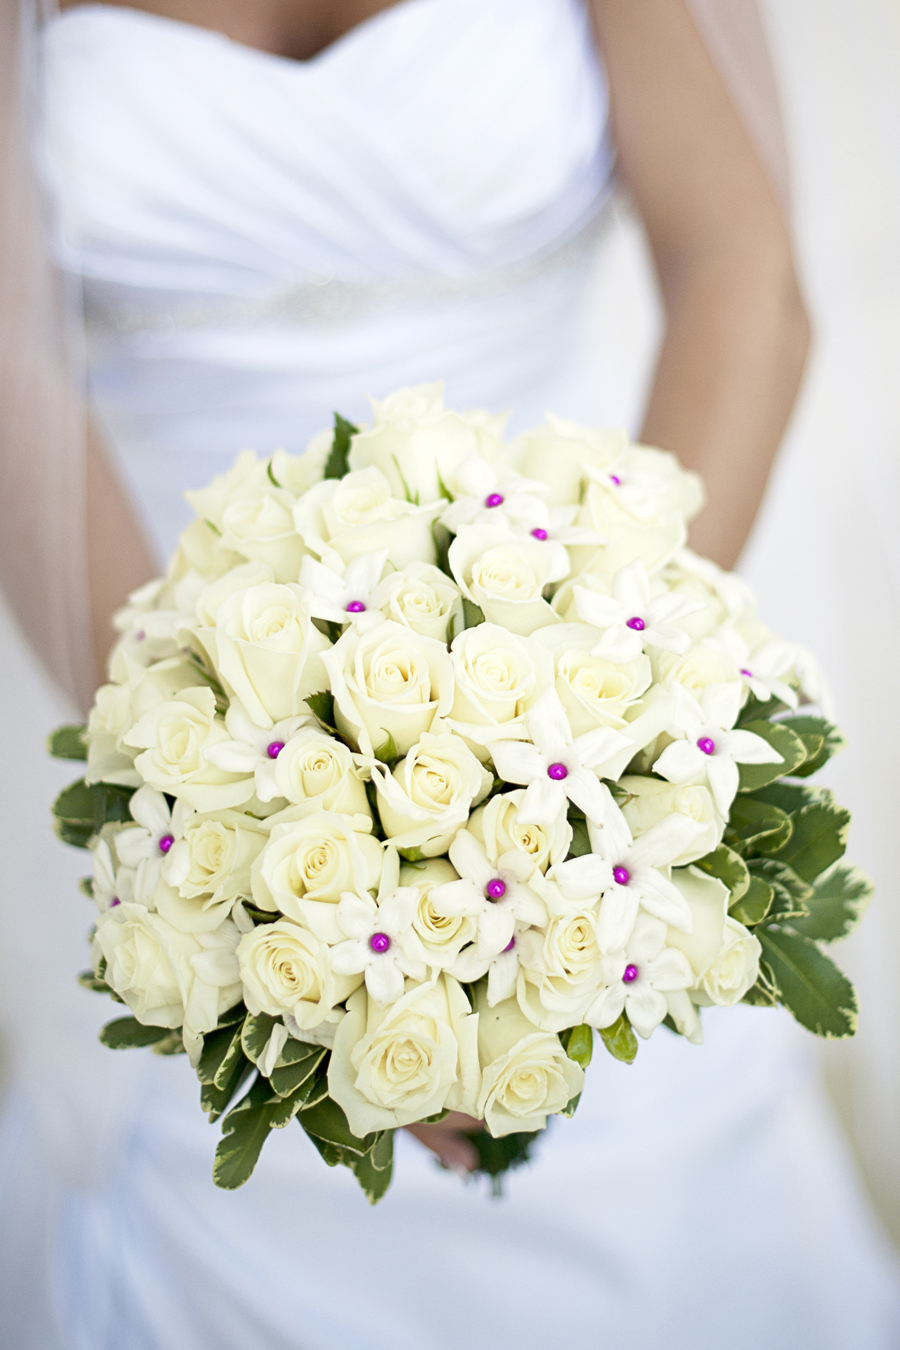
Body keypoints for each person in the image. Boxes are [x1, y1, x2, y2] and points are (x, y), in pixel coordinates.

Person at [0, 0, 897, 1345]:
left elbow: (744, 268)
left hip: (582, 652)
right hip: (166, 681)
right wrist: (229, 812)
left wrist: (603, 742)